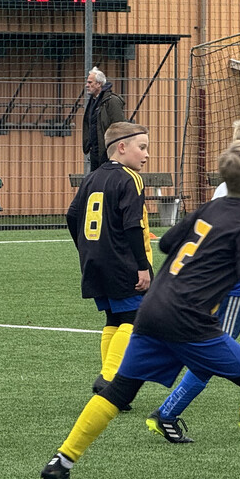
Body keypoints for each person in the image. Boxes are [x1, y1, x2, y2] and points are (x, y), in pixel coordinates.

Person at [42, 140, 240, 479]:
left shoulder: (210, 208)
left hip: (152, 309)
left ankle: (61, 462)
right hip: (189, 320)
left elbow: (167, 244)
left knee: (121, 389)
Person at [147, 116, 240, 444]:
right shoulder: (232, 191)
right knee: (211, 357)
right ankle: (166, 413)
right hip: (232, 288)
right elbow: (227, 235)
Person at [65, 121, 153, 398]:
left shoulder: (92, 177)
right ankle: (108, 378)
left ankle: (109, 380)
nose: (147, 154)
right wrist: (142, 266)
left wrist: (85, 249)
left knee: (114, 318)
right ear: (122, 147)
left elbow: (71, 215)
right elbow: (132, 225)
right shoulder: (130, 178)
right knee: (135, 318)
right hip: (122, 261)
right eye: (142, 147)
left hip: (94, 260)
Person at [82, 67, 125, 171]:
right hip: (95, 152)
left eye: (90, 82)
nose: (87, 85)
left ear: (98, 84)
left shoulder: (111, 101)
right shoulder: (93, 101)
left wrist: (113, 150)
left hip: (107, 153)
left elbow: (119, 127)